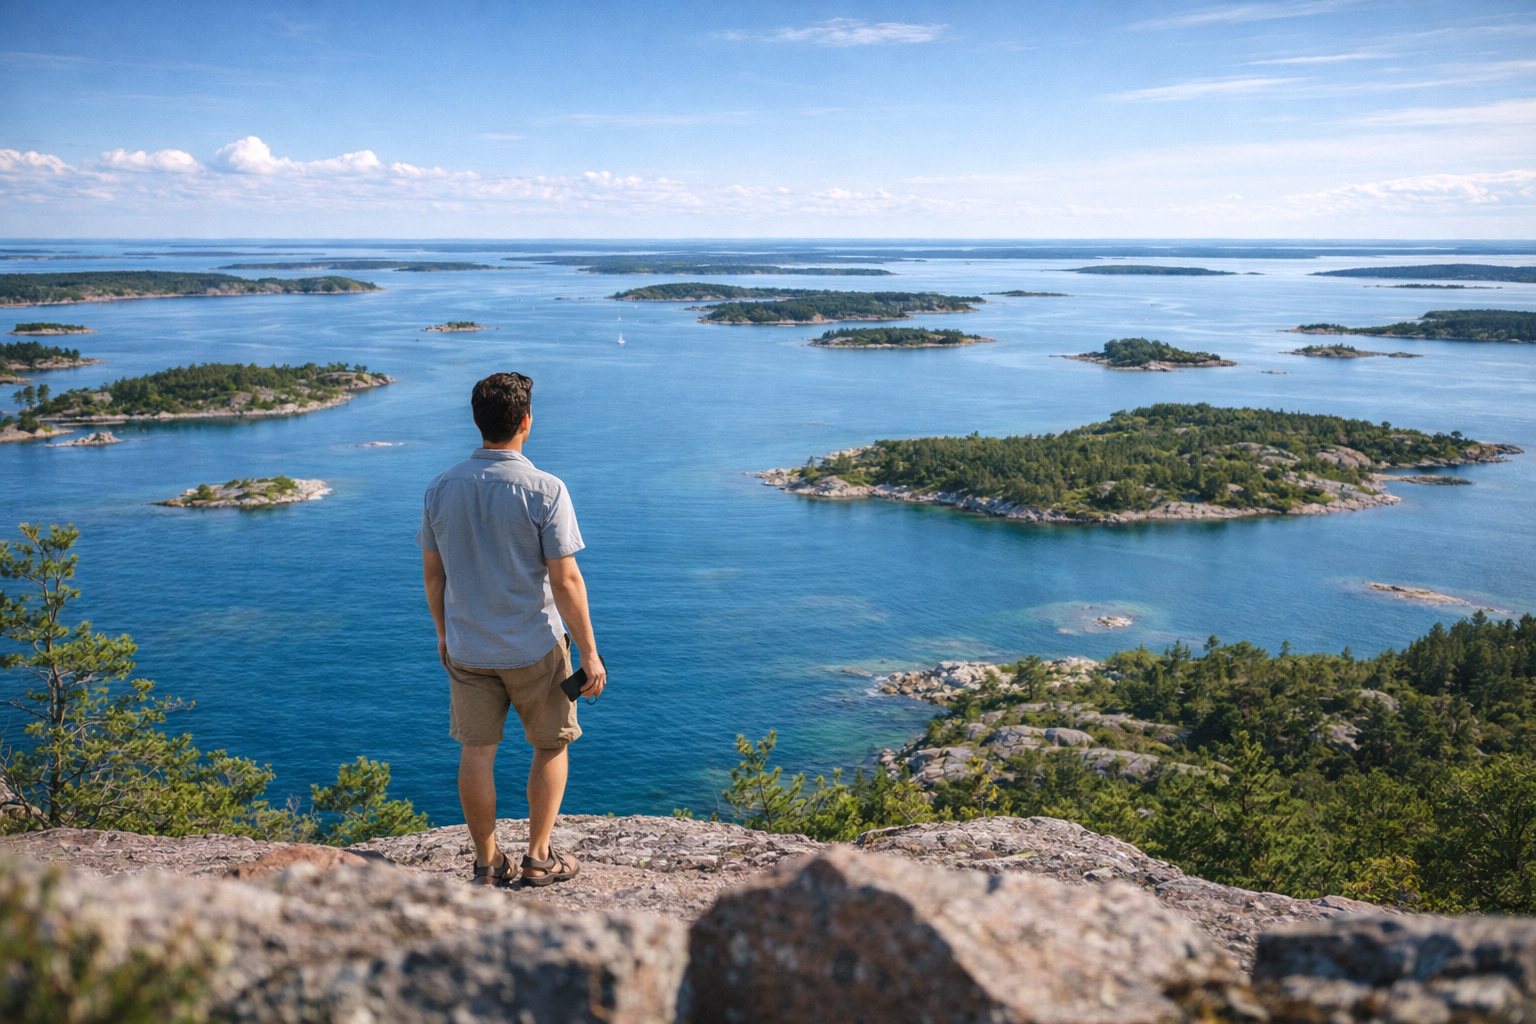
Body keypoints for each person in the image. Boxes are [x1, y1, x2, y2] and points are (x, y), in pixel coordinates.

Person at [417, 371, 605, 887]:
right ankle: (538, 858)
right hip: (535, 647)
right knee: (550, 744)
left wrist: (442, 633)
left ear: (477, 421)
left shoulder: (441, 488)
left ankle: (486, 861)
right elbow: (565, 580)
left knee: (477, 751)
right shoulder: (546, 489)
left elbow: (434, 575)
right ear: (525, 421)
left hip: (468, 646)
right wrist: (589, 652)